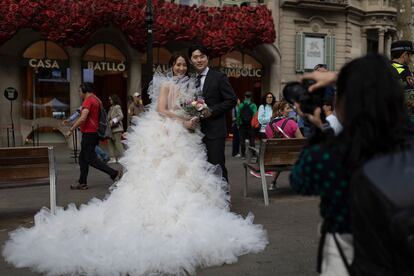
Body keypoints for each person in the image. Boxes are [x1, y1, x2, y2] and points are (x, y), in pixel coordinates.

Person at [2, 53, 267, 276]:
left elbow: (192, 107)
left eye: (184, 64)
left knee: (186, 172)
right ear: (171, 67)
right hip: (166, 131)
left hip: (186, 134)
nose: (182, 67)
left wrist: (193, 114)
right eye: (178, 64)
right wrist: (183, 119)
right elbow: (162, 110)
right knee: (160, 169)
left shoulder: (190, 87)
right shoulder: (166, 85)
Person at [289, 54, 413, 275]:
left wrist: (320, 131)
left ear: (345, 101)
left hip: (346, 248)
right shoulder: (408, 140)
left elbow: (300, 181)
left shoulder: (330, 155)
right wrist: (364, 79)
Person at [188, 44, 237, 182]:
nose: (199, 60)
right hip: (194, 133)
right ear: (191, 60)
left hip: (214, 131)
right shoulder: (190, 80)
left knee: (217, 167)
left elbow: (231, 100)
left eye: (202, 56)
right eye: (195, 57)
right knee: (199, 169)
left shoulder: (218, 77)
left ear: (207, 58)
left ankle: (223, 202)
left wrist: (212, 111)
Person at [65, 83, 122, 190]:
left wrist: (71, 130)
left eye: (79, 91)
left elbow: (83, 118)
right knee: (82, 158)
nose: (79, 93)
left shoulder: (88, 100)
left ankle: (114, 173)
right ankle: (82, 182)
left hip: (89, 133)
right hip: (94, 133)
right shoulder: (97, 99)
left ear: (85, 90)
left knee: (91, 159)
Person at [263, 101, 303, 189]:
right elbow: (301, 141)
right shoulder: (292, 123)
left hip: (274, 159)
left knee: (281, 155)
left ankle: (273, 183)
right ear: (280, 111)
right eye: (287, 108)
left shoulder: (267, 127)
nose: (290, 110)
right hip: (291, 158)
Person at [390, 40, 414, 117]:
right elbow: (410, 101)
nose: (410, 59)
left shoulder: (384, 68)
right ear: (404, 55)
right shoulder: (404, 72)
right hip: (402, 120)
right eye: (410, 55)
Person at [237, 91, 257, 160]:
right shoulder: (253, 105)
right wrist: (254, 125)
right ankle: (253, 155)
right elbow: (255, 115)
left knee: (242, 141)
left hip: (242, 125)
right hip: (250, 126)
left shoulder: (241, 105)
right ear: (251, 97)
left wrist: (238, 124)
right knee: (252, 141)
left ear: (245, 97)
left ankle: (243, 155)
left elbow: (238, 115)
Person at [107, 94, 125, 163]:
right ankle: (112, 158)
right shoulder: (111, 107)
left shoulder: (117, 107)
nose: (110, 101)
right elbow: (108, 117)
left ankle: (123, 157)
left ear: (114, 99)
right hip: (111, 128)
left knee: (118, 143)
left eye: (111, 99)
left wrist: (113, 121)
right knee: (110, 142)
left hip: (117, 128)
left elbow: (121, 116)